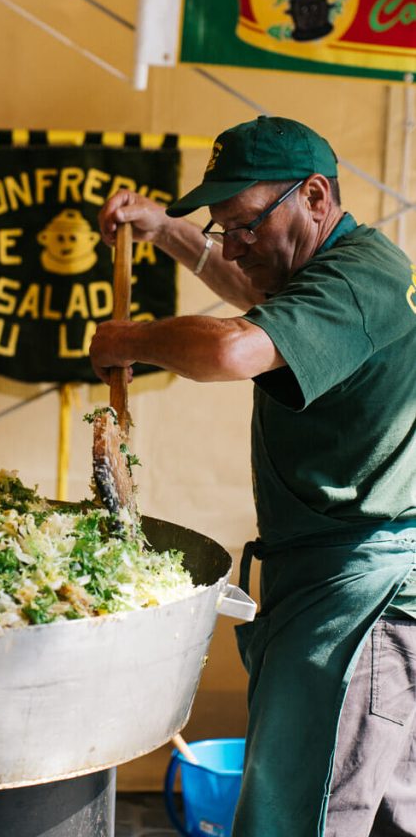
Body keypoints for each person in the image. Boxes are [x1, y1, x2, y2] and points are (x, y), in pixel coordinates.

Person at [90, 116, 416, 837]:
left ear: (316, 196)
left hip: (361, 599)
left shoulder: (360, 278)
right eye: (218, 229)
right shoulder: (318, 272)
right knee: (389, 815)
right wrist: (162, 229)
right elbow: (253, 296)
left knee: (307, 818)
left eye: (244, 224)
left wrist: (134, 340)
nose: (232, 245)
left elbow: (237, 348)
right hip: (335, 580)